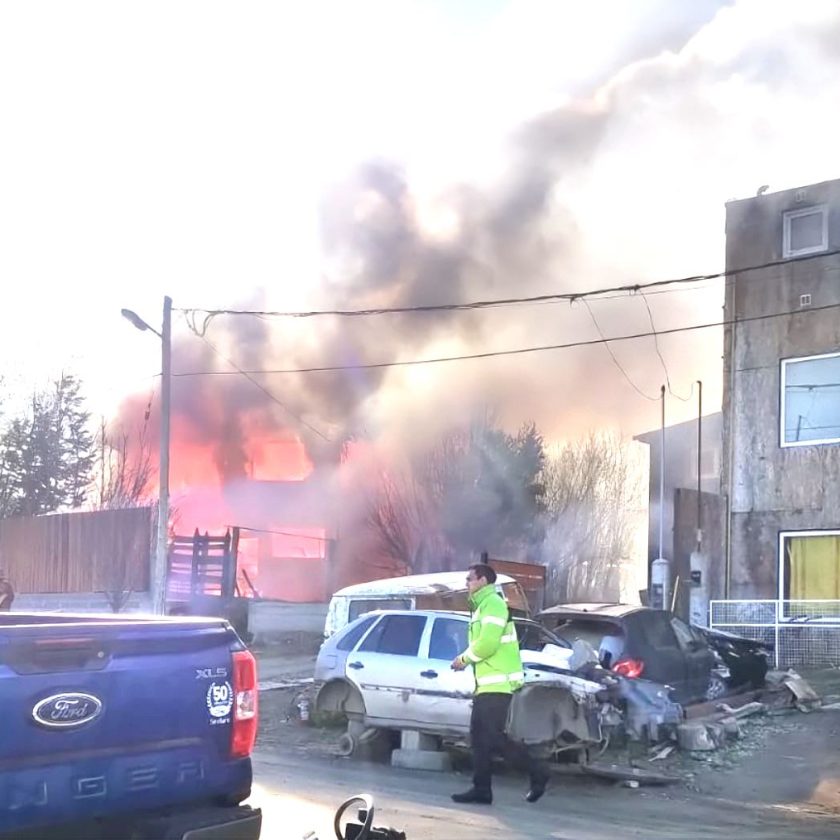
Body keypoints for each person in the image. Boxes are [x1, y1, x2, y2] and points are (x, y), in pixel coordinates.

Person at [450, 563, 549, 806]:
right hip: (487, 685)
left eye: (469, 579)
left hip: (498, 684)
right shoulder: (483, 606)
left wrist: (463, 659)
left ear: (483, 580)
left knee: (493, 738)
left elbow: (487, 645)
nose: (467, 583)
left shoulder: (492, 604)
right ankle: (481, 789)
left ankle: (538, 771)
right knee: (480, 739)